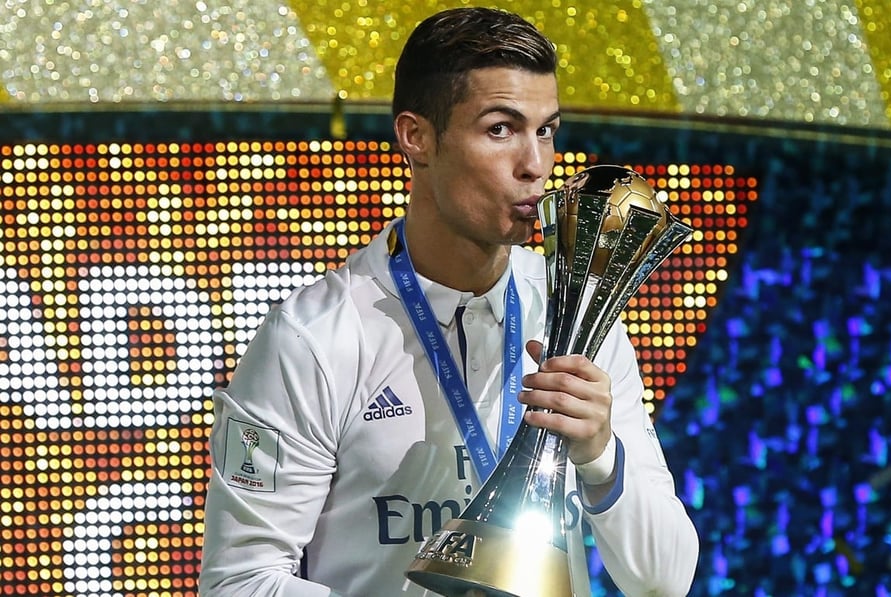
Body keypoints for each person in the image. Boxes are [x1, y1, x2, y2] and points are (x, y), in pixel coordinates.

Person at [198, 6, 699, 596]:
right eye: (500, 129)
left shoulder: (580, 322)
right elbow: (239, 582)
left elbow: (665, 581)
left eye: (546, 130)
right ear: (417, 139)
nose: (535, 165)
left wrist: (599, 457)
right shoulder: (315, 337)